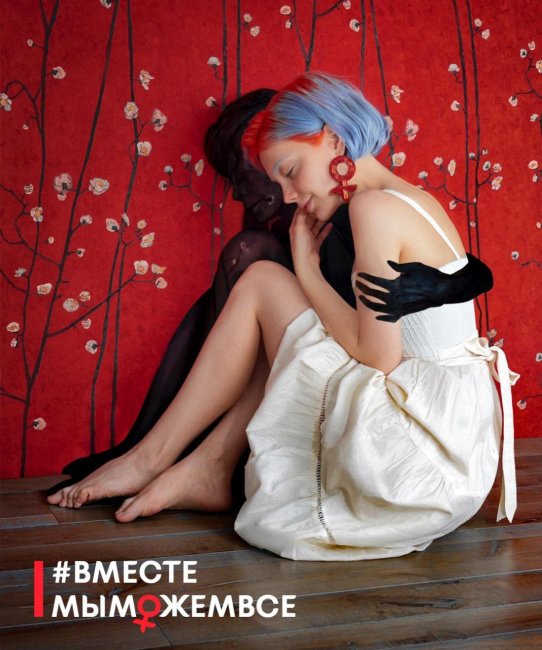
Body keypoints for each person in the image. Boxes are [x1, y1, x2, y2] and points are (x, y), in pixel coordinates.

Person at [47, 79, 506, 562]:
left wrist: (306, 270)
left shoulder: (373, 209)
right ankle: (195, 464)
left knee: (264, 282)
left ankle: (157, 460)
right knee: (270, 293)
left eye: (290, 171)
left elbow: (379, 357)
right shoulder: (413, 198)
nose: (287, 195)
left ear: (333, 139)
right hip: (460, 447)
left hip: (421, 462)